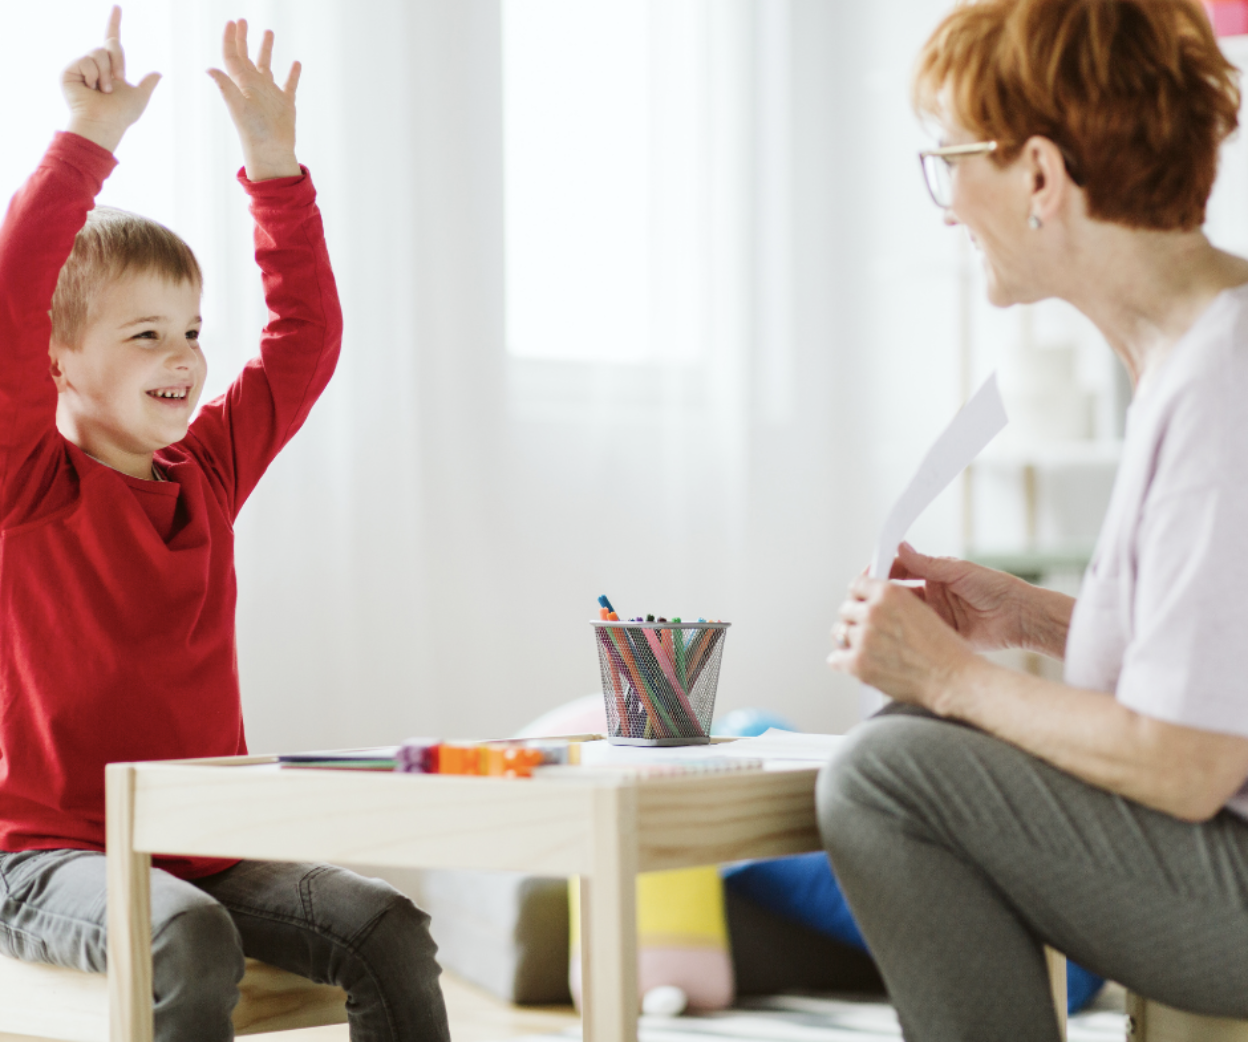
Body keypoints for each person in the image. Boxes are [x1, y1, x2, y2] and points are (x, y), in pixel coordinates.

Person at [0, 9, 449, 1042]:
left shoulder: (207, 469)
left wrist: (273, 163)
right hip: (42, 858)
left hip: (202, 843)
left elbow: (306, 339)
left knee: (386, 926)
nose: (184, 357)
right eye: (146, 333)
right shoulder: (30, 482)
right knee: (188, 936)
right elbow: (14, 295)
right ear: (59, 361)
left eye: (193, 332)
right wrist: (87, 139)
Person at [819, 1, 1248, 1040]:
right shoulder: (1196, 357)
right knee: (909, 737)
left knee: (883, 773)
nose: (945, 202)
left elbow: (1189, 761)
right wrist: (1022, 617)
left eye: (952, 158)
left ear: (1042, 178)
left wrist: (952, 677)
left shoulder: (1222, 383)